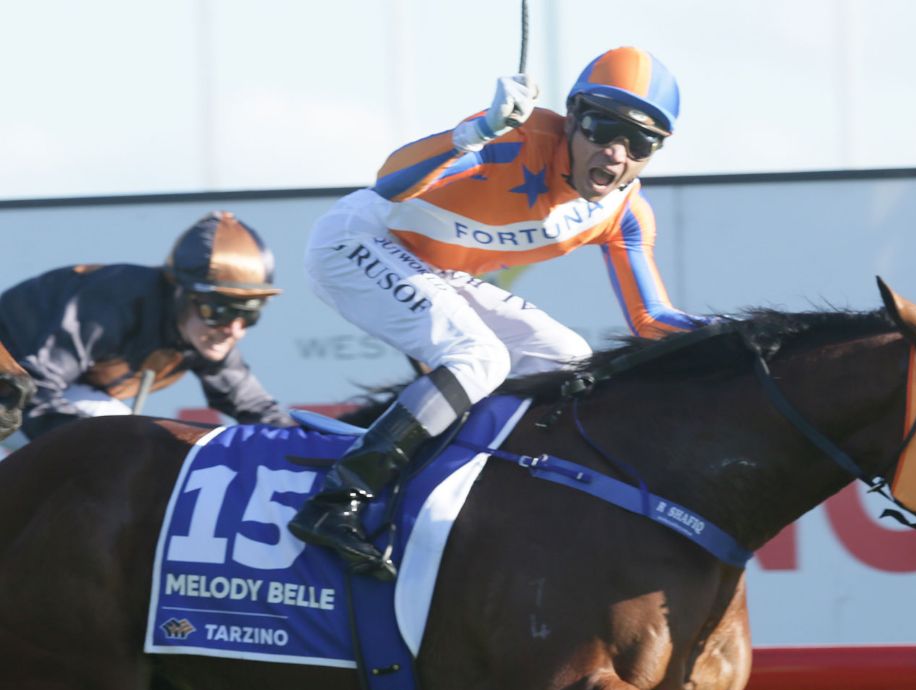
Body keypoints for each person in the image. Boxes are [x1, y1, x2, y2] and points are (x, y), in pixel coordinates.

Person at [289, 46, 712, 580]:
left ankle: (472, 491)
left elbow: (650, 320)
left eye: (640, 142)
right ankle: (338, 500)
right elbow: (388, 182)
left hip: (430, 267)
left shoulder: (625, 213)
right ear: (572, 118)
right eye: (603, 127)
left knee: (568, 360)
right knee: (479, 355)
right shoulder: (516, 139)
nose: (615, 153)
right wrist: (477, 132)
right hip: (358, 239)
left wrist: (743, 334)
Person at [0, 211, 291, 440]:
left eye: (249, 314)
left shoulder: (205, 330)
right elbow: (36, 388)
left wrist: (306, 443)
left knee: (122, 438)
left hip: (41, 390)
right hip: (15, 384)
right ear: (180, 293)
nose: (235, 330)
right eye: (220, 311)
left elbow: (255, 408)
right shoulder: (114, 303)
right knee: (114, 441)